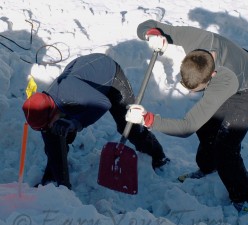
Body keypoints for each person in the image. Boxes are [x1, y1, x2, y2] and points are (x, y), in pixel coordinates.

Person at [125, 20, 248, 213]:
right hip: (236, 62)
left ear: (211, 76)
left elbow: (187, 127)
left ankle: (243, 196)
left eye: (197, 89)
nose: (191, 92)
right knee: (207, 128)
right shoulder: (195, 39)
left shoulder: (224, 81)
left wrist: (148, 119)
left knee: (226, 146)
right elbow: (147, 24)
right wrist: (153, 34)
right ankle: (208, 168)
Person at [22, 53, 169, 189]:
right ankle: (56, 180)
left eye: (46, 125)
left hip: (109, 77)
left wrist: (76, 123)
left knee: (129, 124)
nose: (46, 129)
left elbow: (103, 103)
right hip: (83, 80)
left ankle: (158, 157)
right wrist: (60, 184)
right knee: (56, 133)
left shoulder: (69, 93)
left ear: (53, 111)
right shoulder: (44, 107)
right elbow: (51, 139)